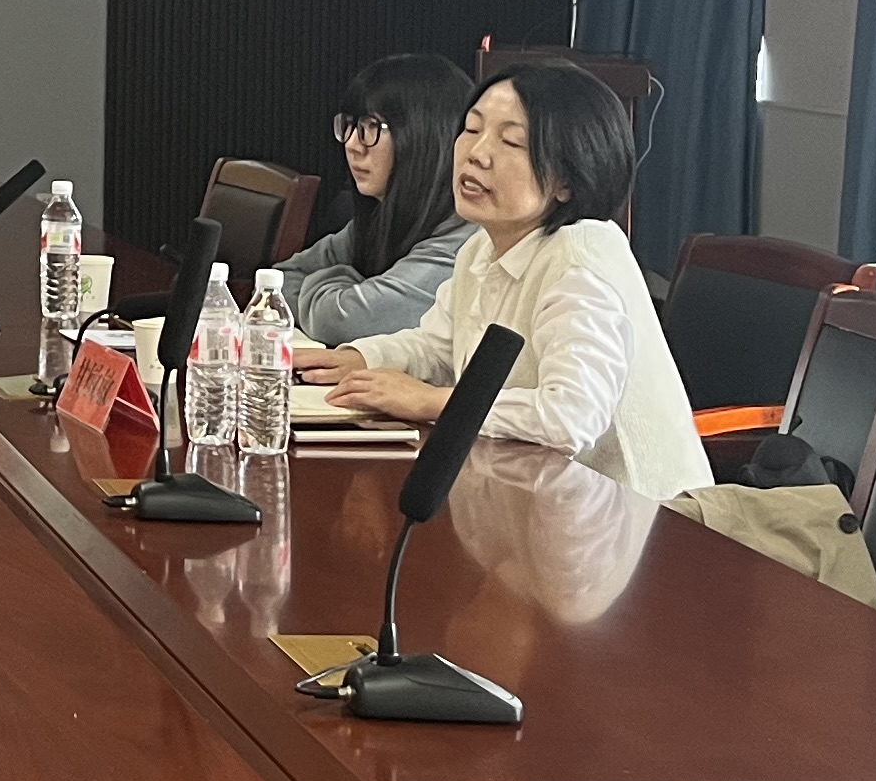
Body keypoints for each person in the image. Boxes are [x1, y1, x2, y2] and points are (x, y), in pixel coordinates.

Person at [293, 57, 710, 506]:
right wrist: (360, 358)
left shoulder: (581, 259)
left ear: (567, 180)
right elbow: (437, 346)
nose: (476, 153)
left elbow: (569, 417)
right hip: (538, 499)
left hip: (643, 519)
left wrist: (431, 401)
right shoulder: (481, 246)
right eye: (471, 129)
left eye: (510, 141)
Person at [280, 53, 475, 349]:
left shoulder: (463, 237)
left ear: (425, 136)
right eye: (350, 125)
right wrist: (347, 288)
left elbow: (347, 322)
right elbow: (280, 279)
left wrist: (339, 280)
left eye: (371, 127)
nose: (352, 144)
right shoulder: (383, 214)